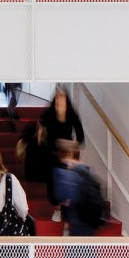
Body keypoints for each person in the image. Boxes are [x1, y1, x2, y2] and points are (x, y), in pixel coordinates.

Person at [49, 139, 108, 258]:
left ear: (61, 154)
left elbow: (66, 198)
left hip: (79, 222)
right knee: (77, 257)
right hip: (87, 221)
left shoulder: (68, 173)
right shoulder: (86, 170)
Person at [38, 85, 85, 222]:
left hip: (65, 154)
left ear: (67, 101)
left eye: (62, 100)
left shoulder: (71, 114)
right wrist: (40, 135)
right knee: (52, 182)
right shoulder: (50, 113)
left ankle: (66, 211)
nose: (59, 103)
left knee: (66, 182)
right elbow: (41, 126)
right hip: (51, 153)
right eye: (57, 101)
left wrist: (73, 146)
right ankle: (57, 209)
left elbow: (80, 135)